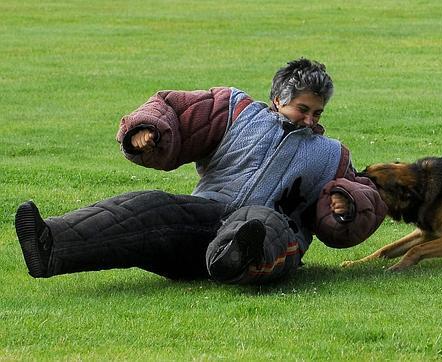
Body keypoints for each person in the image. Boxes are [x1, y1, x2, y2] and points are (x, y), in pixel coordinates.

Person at [14, 58, 387, 284]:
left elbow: (364, 195)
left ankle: (234, 260)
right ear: (278, 99)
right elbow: (173, 109)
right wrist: (148, 130)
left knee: (258, 222)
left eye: (317, 112)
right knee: (150, 207)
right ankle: (51, 246)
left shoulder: (331, 154)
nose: (309, 119)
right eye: (302, 109)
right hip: (203, 219)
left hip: (269, 235)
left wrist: (346, 205)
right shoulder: (234, 110)